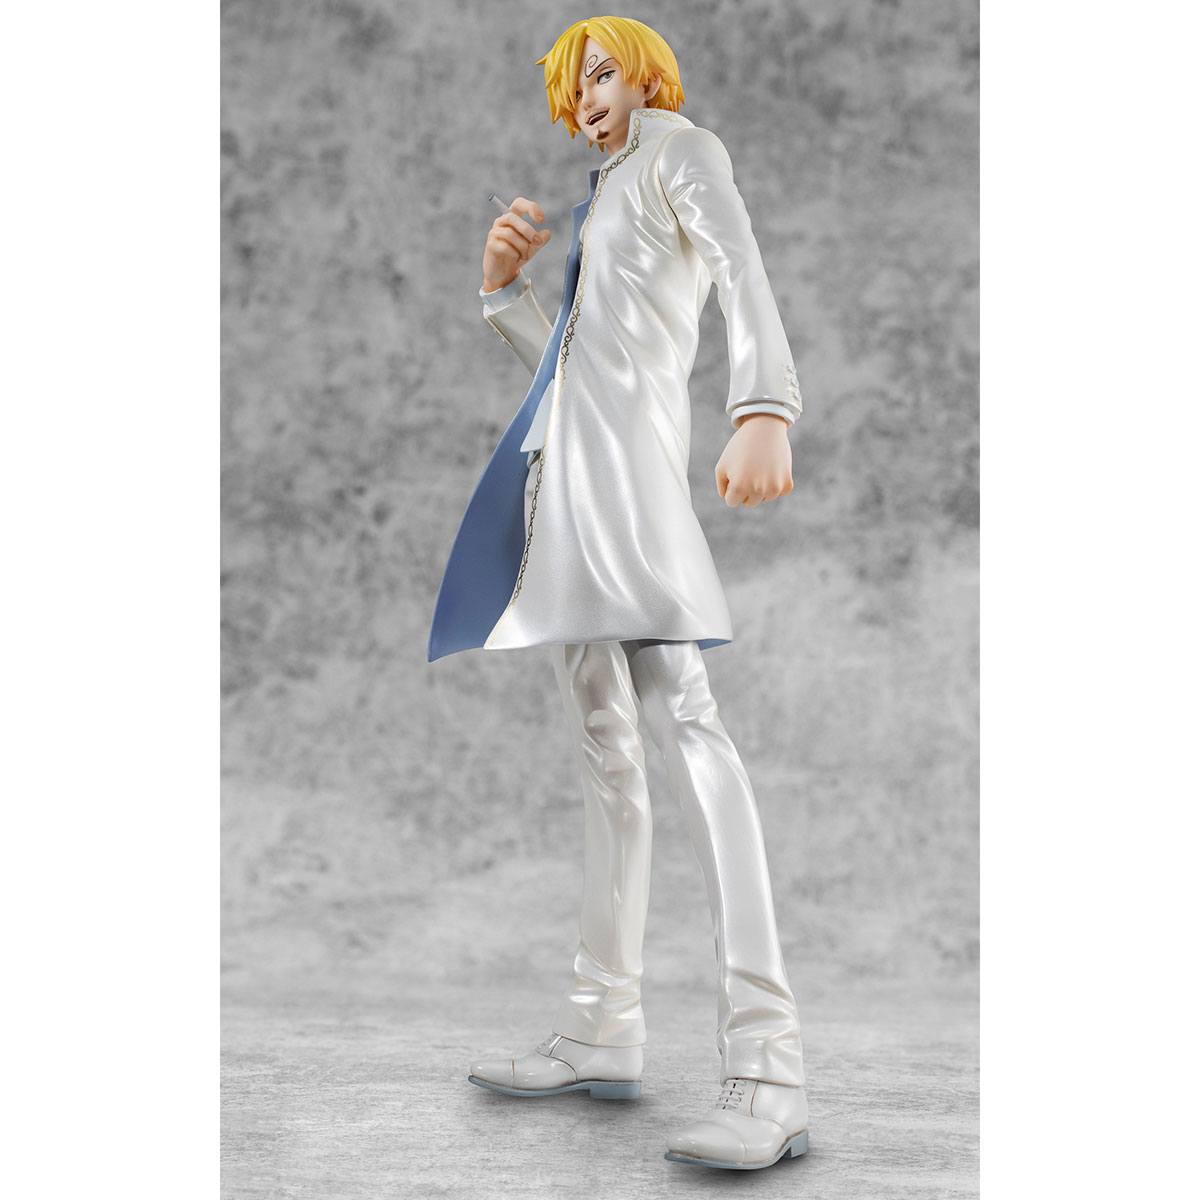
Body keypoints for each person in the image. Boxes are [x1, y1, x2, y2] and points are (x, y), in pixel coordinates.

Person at [427, 15, 810, 1171]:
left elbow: (742, 270)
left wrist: (763, 407)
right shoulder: (609, 194)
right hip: (574, 500)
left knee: (690, 731)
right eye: (571, 86)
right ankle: (604, 1023)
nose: (587, 96)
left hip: (634, 499)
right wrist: (503, 295)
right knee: (606, 745)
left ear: (644, 73)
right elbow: (582, 372)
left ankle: (770, 1069)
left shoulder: (684, 153)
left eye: (600, 72)